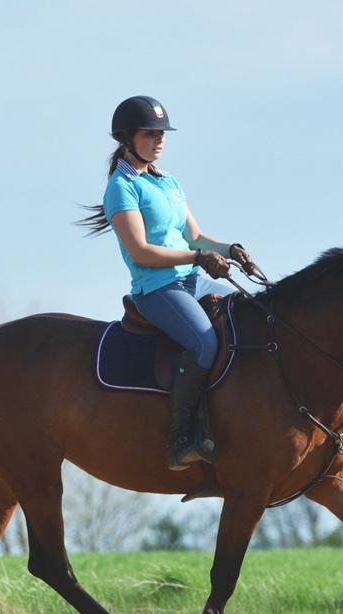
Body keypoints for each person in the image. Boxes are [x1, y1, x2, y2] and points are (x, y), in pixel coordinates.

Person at [79, 95, 257, 471]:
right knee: (205, 341)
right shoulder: (121, 188)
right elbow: (142, 251)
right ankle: (181, 438)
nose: (159, 140)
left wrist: (230, 248)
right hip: (158, 289)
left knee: (253, 316)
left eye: (162, 133)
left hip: (193, 280)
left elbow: (195, 236)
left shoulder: (167, 181)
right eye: (150, 133)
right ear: (126, 138)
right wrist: (197, 258)